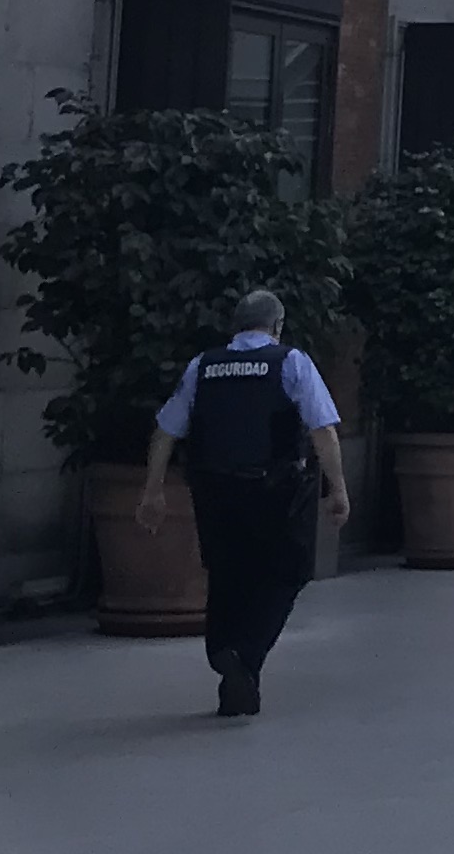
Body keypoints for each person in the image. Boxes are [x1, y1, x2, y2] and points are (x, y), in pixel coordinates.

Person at [137, 290, 347, 716]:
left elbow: (166, 430)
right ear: (277, 326)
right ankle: (244, 656)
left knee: (227, 574)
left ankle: (223, 650)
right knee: (286, 573)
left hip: (214, 489)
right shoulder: (291, 362)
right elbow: (322, 429)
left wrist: (152, 490)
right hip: (276, 490)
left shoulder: (204, 365)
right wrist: (338, 487)